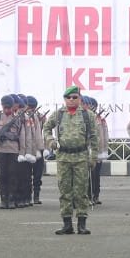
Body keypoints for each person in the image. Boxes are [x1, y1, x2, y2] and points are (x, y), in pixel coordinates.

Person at [43, 86, 99, 234]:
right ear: (65, 99)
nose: (72, 100)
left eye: (75, 97)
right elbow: (46, 128)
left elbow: (94, 137)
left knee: (81, 192)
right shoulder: (58, 114)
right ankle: (67, 224)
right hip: (63, 157)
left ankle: (82, 224)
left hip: (81, 157)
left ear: (79, 98)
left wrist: (93, 157)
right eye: (69, 97)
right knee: (65, 191)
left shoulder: (88, 115)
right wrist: (50, 141)